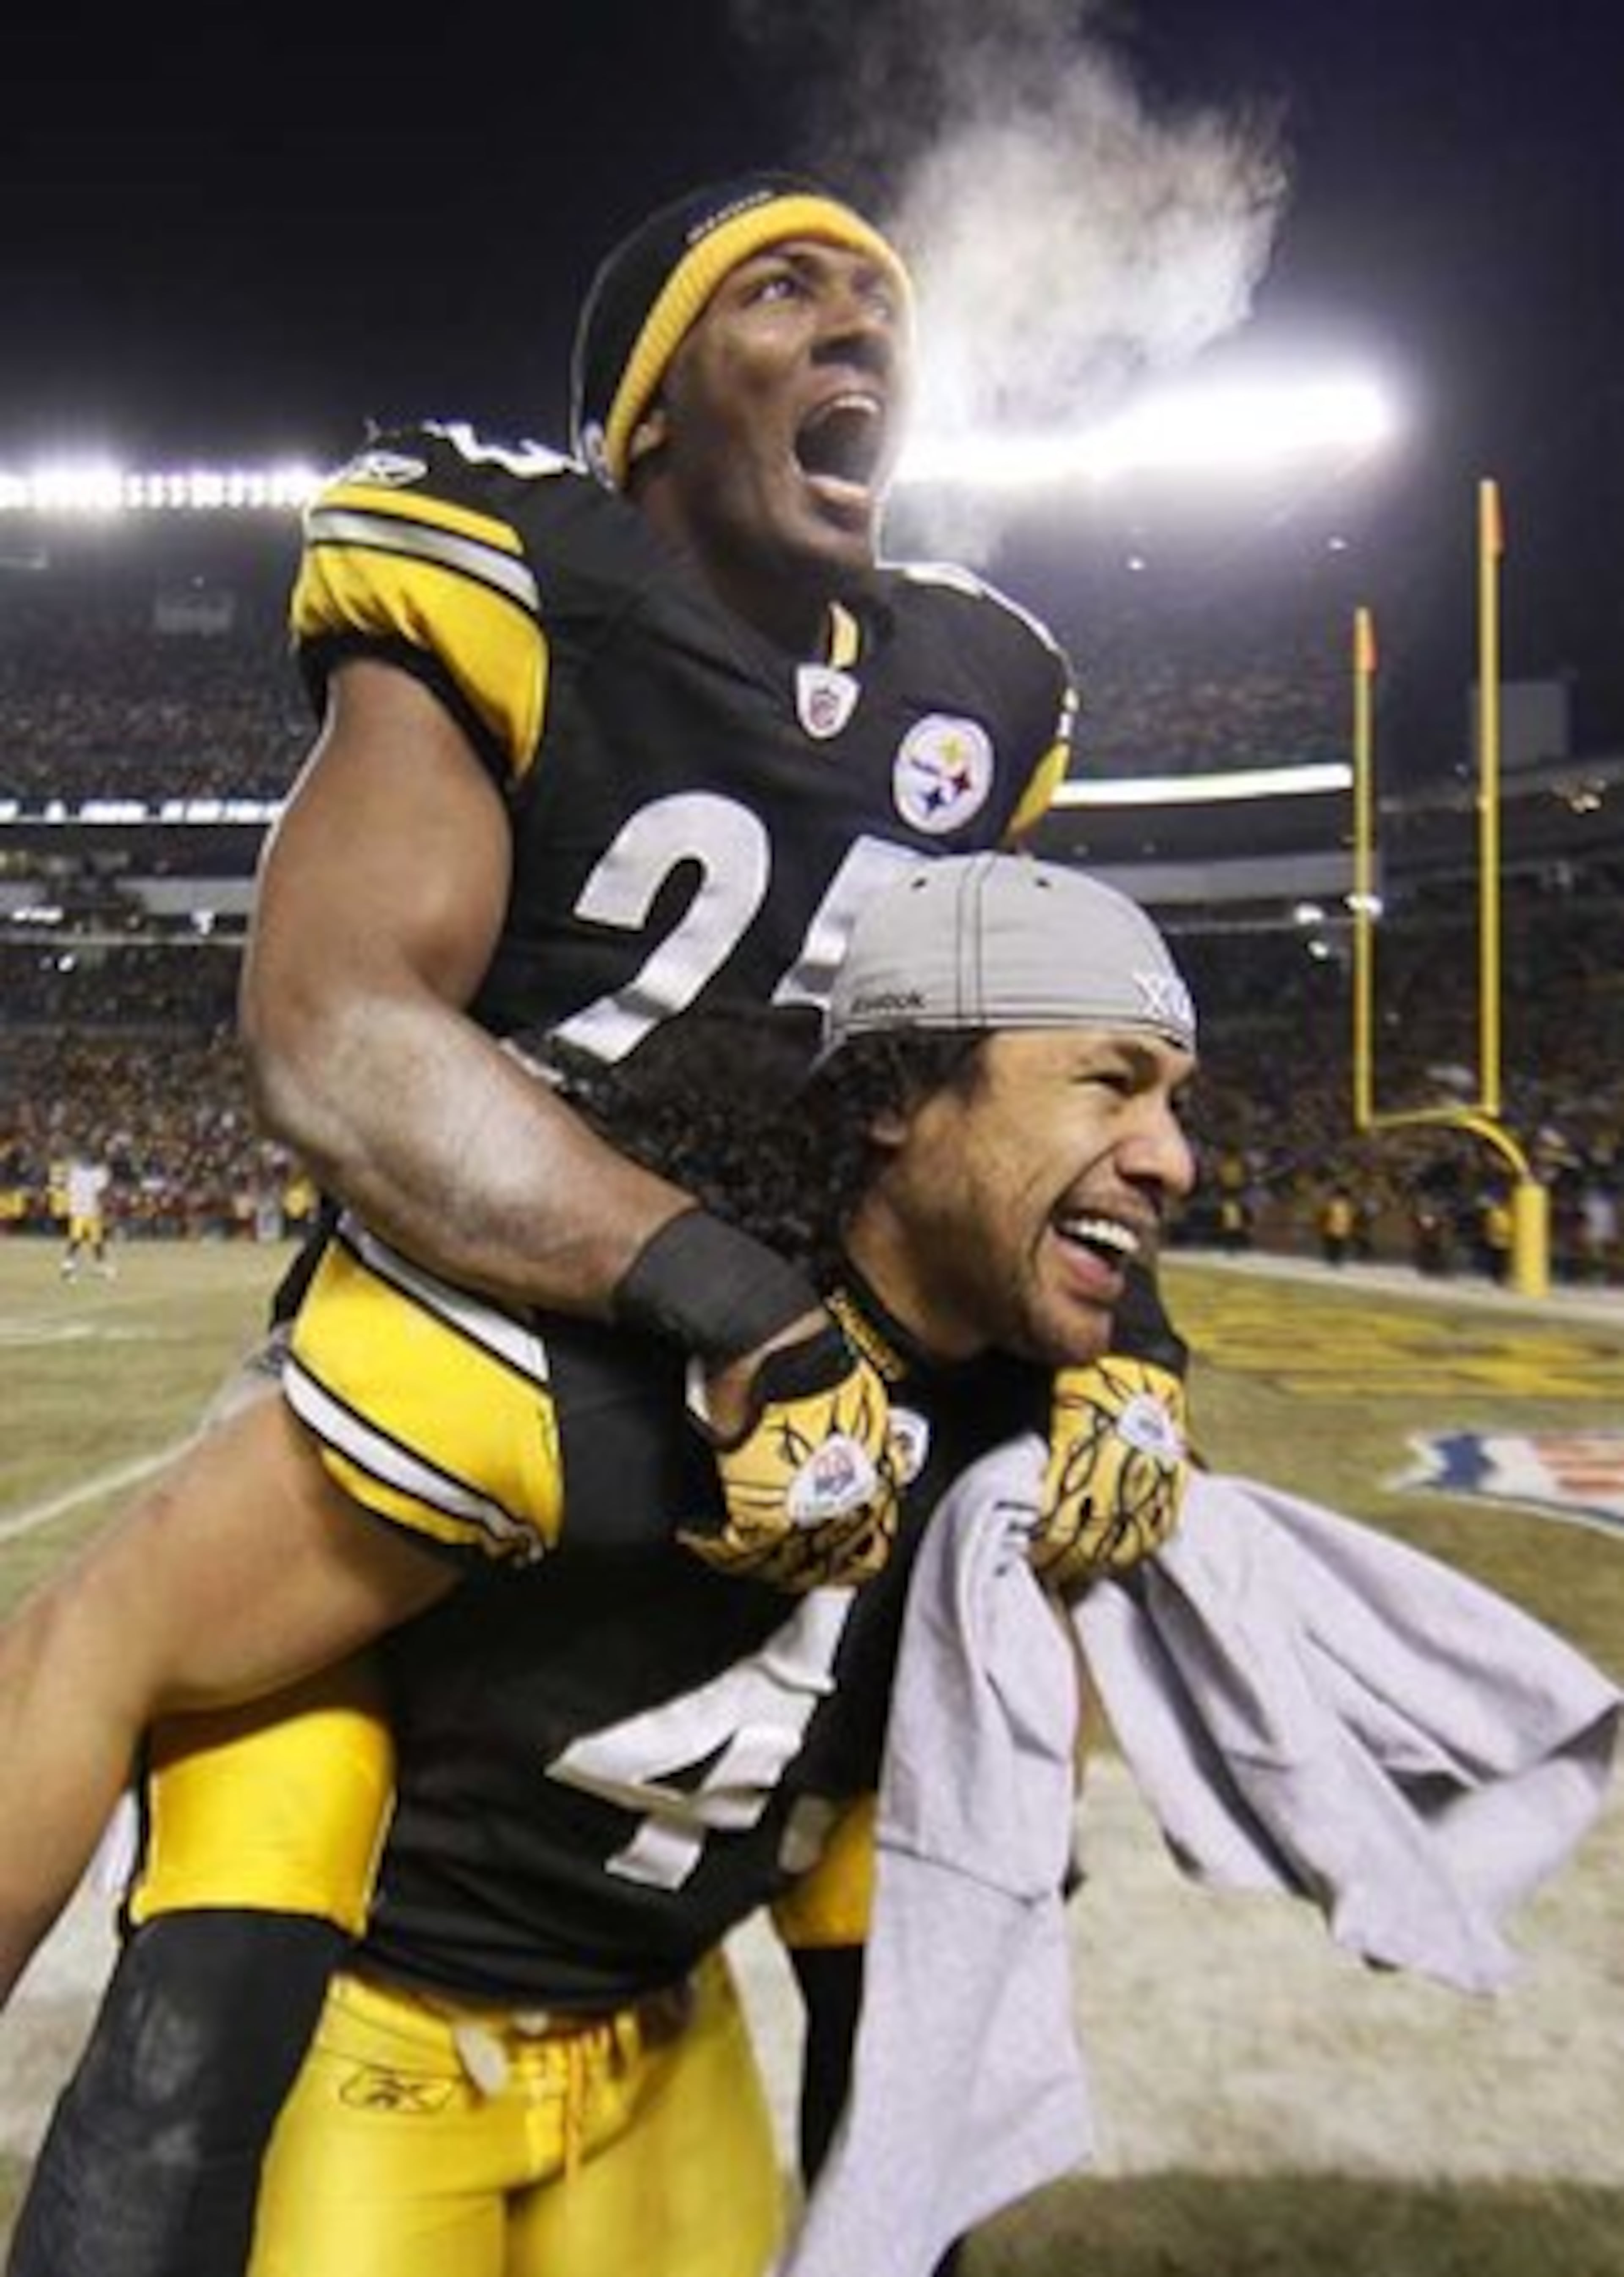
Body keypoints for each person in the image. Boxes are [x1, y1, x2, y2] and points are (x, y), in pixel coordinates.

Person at [5, 172, 1181, 2276]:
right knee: (150, 1675)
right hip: (524, 1300)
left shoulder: (974, 684)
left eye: (879, 298)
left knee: (973, 1718)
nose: (860, 328)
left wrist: (1136, 1350)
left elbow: (1004, 1087)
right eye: (784, 291)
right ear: (641, 414)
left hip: (838, 1360)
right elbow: (336, 1009)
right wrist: (719, 1287)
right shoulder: (520, 571)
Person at [1, 854, 1199, 2277]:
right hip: (378, 2033)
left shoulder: (1033, 1426)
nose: (1174, 1153)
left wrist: (1137, 1390)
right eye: (1112, 1085)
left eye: (1176, 1101)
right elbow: (92, 1640)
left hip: (658, 2029)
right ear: (893, 1097)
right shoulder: (556, 1372)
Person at [58, 1151, 114, 1280]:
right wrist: (106, 1210)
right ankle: (69, 1266)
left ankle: (72, 1266)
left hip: (80, 1210)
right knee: (84, 1240)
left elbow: (64, 1185)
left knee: (90, 1241)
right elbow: (102, 1191)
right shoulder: (98, 1173)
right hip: (89, 1210)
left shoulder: (74, 1171)